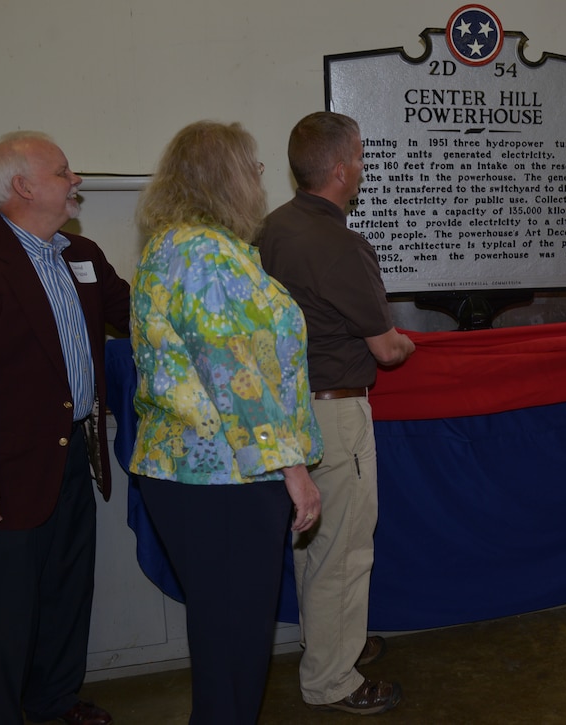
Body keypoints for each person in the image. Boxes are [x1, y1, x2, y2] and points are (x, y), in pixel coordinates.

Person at [0, 131, 129, 724]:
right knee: (6, 614)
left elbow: (135, 316)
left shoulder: (82, 255)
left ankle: (52, 704)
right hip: (3, 477)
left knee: (67, 596)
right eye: (64, 172)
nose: (76, 182)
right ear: (22, 186)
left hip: (74, 462)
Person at [129, 121, 323, 724]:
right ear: (229, 177)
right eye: (255, 167)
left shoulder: (169, 245)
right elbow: (239, 378)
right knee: (236, 649)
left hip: (184, 472)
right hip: (225, 479)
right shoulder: (209, 257)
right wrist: (293, 468)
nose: (263, 179)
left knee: (221, 640)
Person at [258, 111, 415, 715]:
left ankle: (328, 645)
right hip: (334, 414)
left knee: (312, 542)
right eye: (361, 157)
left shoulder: (271, 228)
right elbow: (386, 348)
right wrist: (405, 343)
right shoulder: (340, 243)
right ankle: (332, 678)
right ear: (343, 168)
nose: (363, 168)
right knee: (344, 551)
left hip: (287, 409)